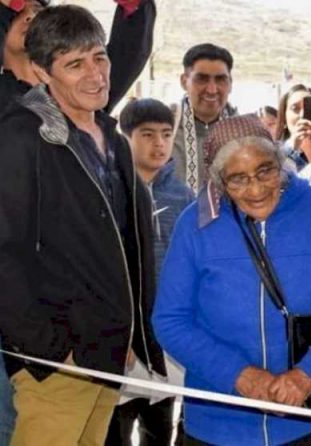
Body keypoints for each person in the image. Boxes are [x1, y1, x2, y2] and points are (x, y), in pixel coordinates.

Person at [0, 6, 166, 445]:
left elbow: (123, 244)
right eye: (75, 64)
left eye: (99, 57)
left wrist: (126, 332)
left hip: (107, 354)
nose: (95, 75)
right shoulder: (19, 136)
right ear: (41, 71)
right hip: (56, 363)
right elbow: (4, 254)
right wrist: (50, 350)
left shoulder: (113, 138)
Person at [152, 114, 311, 446]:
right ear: (218, 181)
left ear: (281, 163)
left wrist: (309, 375)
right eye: (238, 179)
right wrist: (239, 376)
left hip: (310, 420)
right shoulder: (195, 224)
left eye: (265, 171)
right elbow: (170, 320)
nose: (256, 189)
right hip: (218, 423)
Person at [105, 98, 195, 446]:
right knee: (115, 430)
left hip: (166, 338)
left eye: (166, 134)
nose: (159, 144)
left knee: (160, 430)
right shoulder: (108, 188)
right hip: (122, 338)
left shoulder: (183, 195)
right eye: (147, 134)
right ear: (125, 137)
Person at [0, 0, 156, 116]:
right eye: (17, 13)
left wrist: (133, 4)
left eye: (37, 10)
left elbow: (130, 51)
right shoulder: (5, 96)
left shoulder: (81, 88)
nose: (30, 16)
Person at [172, 43, 238, 192]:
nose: (212, 90)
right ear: (184, 81)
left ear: (231, 83)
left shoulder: (247, 133)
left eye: (221, 79)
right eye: (202, 79)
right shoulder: (163, 127)